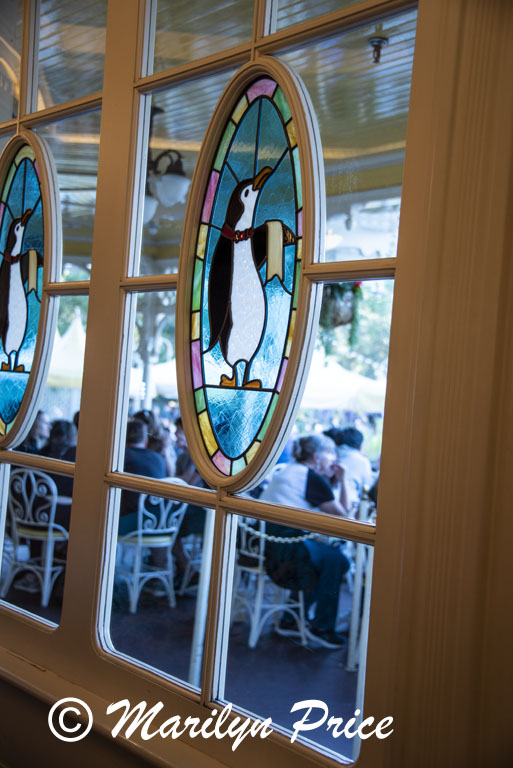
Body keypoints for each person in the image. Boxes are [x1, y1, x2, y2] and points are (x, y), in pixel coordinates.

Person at [260, 434, 350, 648]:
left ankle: (292, 618)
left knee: (328, 557)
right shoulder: (310, 478)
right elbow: (343, 515)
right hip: (286, 550)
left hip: (267, 545)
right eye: (330, 454)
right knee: (336, 561)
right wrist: (343, 480)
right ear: (317, 456)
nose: (333, 459)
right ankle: (322, 627)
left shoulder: (291, 470)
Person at [119, 419, 167, 535]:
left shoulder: (120, 458)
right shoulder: (158, 459)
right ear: (145, 441)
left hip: (129, 523)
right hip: (159, 523)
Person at [325, 426, 373, 511]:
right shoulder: (362, 461)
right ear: (360, 444)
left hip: (325, 503)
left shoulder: (330, 454)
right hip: (348, 506)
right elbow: (367, 488)